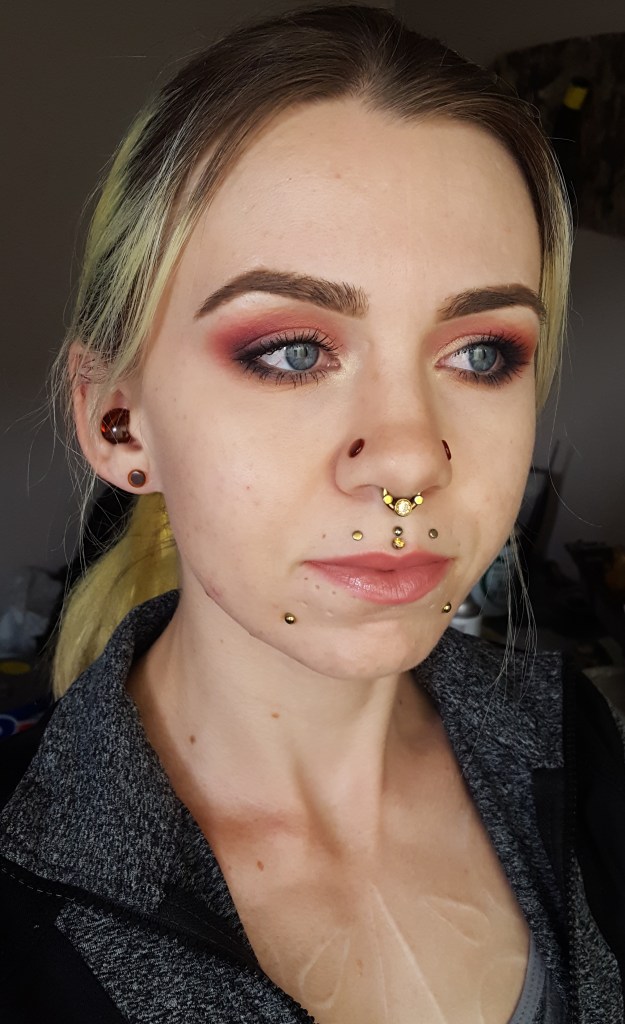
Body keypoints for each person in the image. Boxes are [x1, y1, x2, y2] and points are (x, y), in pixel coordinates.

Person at [1, 5, 624, 1022]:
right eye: (293, 351)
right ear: (119, 420)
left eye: (481, 353)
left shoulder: (570, 731)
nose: (411, 459)